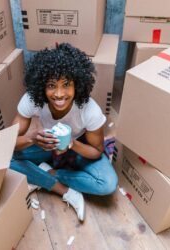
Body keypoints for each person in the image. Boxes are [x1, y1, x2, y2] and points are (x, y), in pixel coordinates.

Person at [10, 43, 118, 222]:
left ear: (77, 85)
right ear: (41, 86)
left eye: (66, 85)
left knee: (107, 184)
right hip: (46, 142)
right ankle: (62, 189)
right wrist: (31, 138)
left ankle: (48, 173)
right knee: (3, 158)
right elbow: (9, 141)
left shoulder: (89, 110)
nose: (59, 94)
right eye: (51, 85)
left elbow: (97, 151)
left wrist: (72, 144)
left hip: (78, 145)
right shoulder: (32, 99)